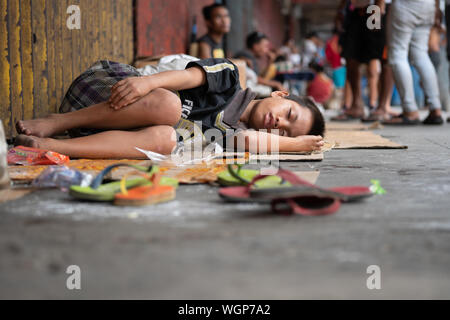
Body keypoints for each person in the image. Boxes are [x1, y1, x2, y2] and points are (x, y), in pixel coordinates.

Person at [15, 59, 325, 159]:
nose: (278, 123)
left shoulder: (233, 137)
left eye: (284, 131)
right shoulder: (229, 77)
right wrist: (146, 84)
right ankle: (57, 122)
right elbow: (185, 77)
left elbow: (249, 142)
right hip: (107, 93)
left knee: (167, 139)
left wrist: (296, 145)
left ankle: (52, 146)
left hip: (103, 139)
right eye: (289, 114)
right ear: (281, 93)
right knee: (169, 105)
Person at [384, 0, 444, 125]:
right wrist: (437, 8)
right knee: (421, 54)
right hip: (429, 5)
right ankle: (435, 108)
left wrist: (376, 10)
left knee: (397, 55)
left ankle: (410, 110)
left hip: (405, 5)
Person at [334, 0, 385, 120]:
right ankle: (357, 105)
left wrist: (379, 7)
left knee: (376, 58)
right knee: (350, 58)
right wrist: (341, 9)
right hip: (355, 10)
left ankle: (379, 106)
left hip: (373, 9)